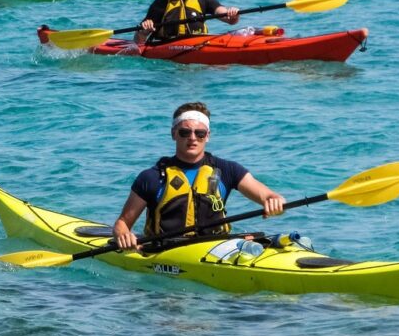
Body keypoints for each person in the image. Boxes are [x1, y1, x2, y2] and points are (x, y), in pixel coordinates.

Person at [112, 102, 285, 251]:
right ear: (173, 134)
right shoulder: (151, 177)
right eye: (185, 132)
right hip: (165, 250)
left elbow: (268, 196)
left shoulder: (228, 169)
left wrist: (274, 201)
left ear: (207, 136)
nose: (192, 138)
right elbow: (122, 223)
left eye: (200, 133)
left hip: (217, 247)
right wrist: (124, 235)